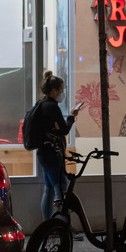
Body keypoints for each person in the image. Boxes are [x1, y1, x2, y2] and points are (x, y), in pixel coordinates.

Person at [33, 71, 79, 222]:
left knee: (49, 190)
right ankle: (62, 226)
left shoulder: (40, 105)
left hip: (43, 154)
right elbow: (64, 130)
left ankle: (47, 224)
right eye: (61, 90)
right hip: (53, 155)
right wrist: (72, 116)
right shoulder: (52, 107)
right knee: (60, 191)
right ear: (54, 91)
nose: (62, 93)